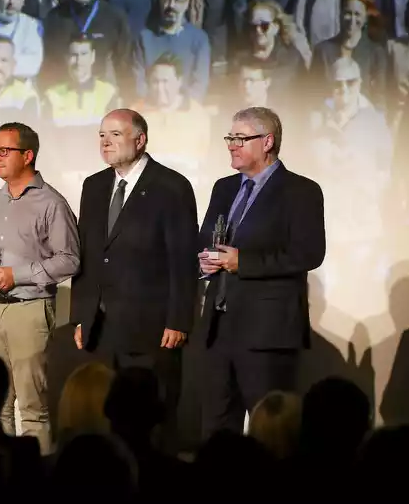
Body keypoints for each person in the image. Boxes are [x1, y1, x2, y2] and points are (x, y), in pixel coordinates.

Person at [70, 109, 198, 444]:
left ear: (139, 140)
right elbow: (90, 256)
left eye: (114, 134)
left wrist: (179, 319)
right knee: (104, 419)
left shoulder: (171, 186)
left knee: (152, 421)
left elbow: (183, 261)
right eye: (101, 135)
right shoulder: (94, 185)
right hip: (102, 328)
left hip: (152, 329)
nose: (105, 142)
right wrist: (82, 316)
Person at [197, 107, 326, 438]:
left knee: (270, 431)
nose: (231, 145)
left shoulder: (301, 191)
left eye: (240, 138)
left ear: (267, 141)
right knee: (216, 427)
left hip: (267, 332)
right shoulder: (223, 188)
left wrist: (244, 262)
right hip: (219, 327)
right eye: (230, 138)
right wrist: (205, 262)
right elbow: (206, 239)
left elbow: (308, 253)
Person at [0, 122, 80, 453]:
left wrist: (18, 275)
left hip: (29, 309)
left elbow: (70, 260)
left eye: (4, 151)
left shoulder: (51, 203)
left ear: (28, 155)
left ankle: (36, 484)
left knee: (32, 408)